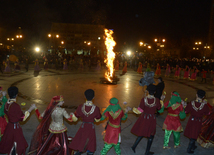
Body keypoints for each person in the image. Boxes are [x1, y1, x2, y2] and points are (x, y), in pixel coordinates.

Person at [0, 86, 35, 155]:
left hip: (9, 126)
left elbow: (5, 111)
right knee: (18, 145)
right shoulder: (15, 106)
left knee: (9, 142)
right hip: (15, 127)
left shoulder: (7, 103)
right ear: (16, 95)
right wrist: (30, 109)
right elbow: (22, 118)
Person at [131, 84, 161, 155]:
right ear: (154, 92)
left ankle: (134, 146)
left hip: (144, 118)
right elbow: (159, 108)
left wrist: (132, 109)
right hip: (152, 119)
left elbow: (140, 110)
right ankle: (147, 151)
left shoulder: (143, 99)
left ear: (147, 91)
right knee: (151, 135)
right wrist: (161, 100)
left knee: (142, 132)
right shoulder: (156, 100)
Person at [69, 89, 101, 155]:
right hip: (91, 127)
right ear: (93, 97)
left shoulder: (80, 107)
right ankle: (89, 152)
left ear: (85, 97)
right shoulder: (96, 108)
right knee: (90, 140)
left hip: (83, 126)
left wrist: (72, 115)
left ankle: (80, 151)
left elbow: (75, 119)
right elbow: (98, 119)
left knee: (82, 138)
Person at [184, 90, 210, 154]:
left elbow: (186, 111)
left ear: (196, 95)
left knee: (192, 133)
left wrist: (184, 106)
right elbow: (208, 113)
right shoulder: (204, 105)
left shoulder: (191, 103)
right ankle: (189, 149)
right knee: (195, 133)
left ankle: (192, 146)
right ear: (203, 97)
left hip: (191, 120)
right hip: (198, 121)